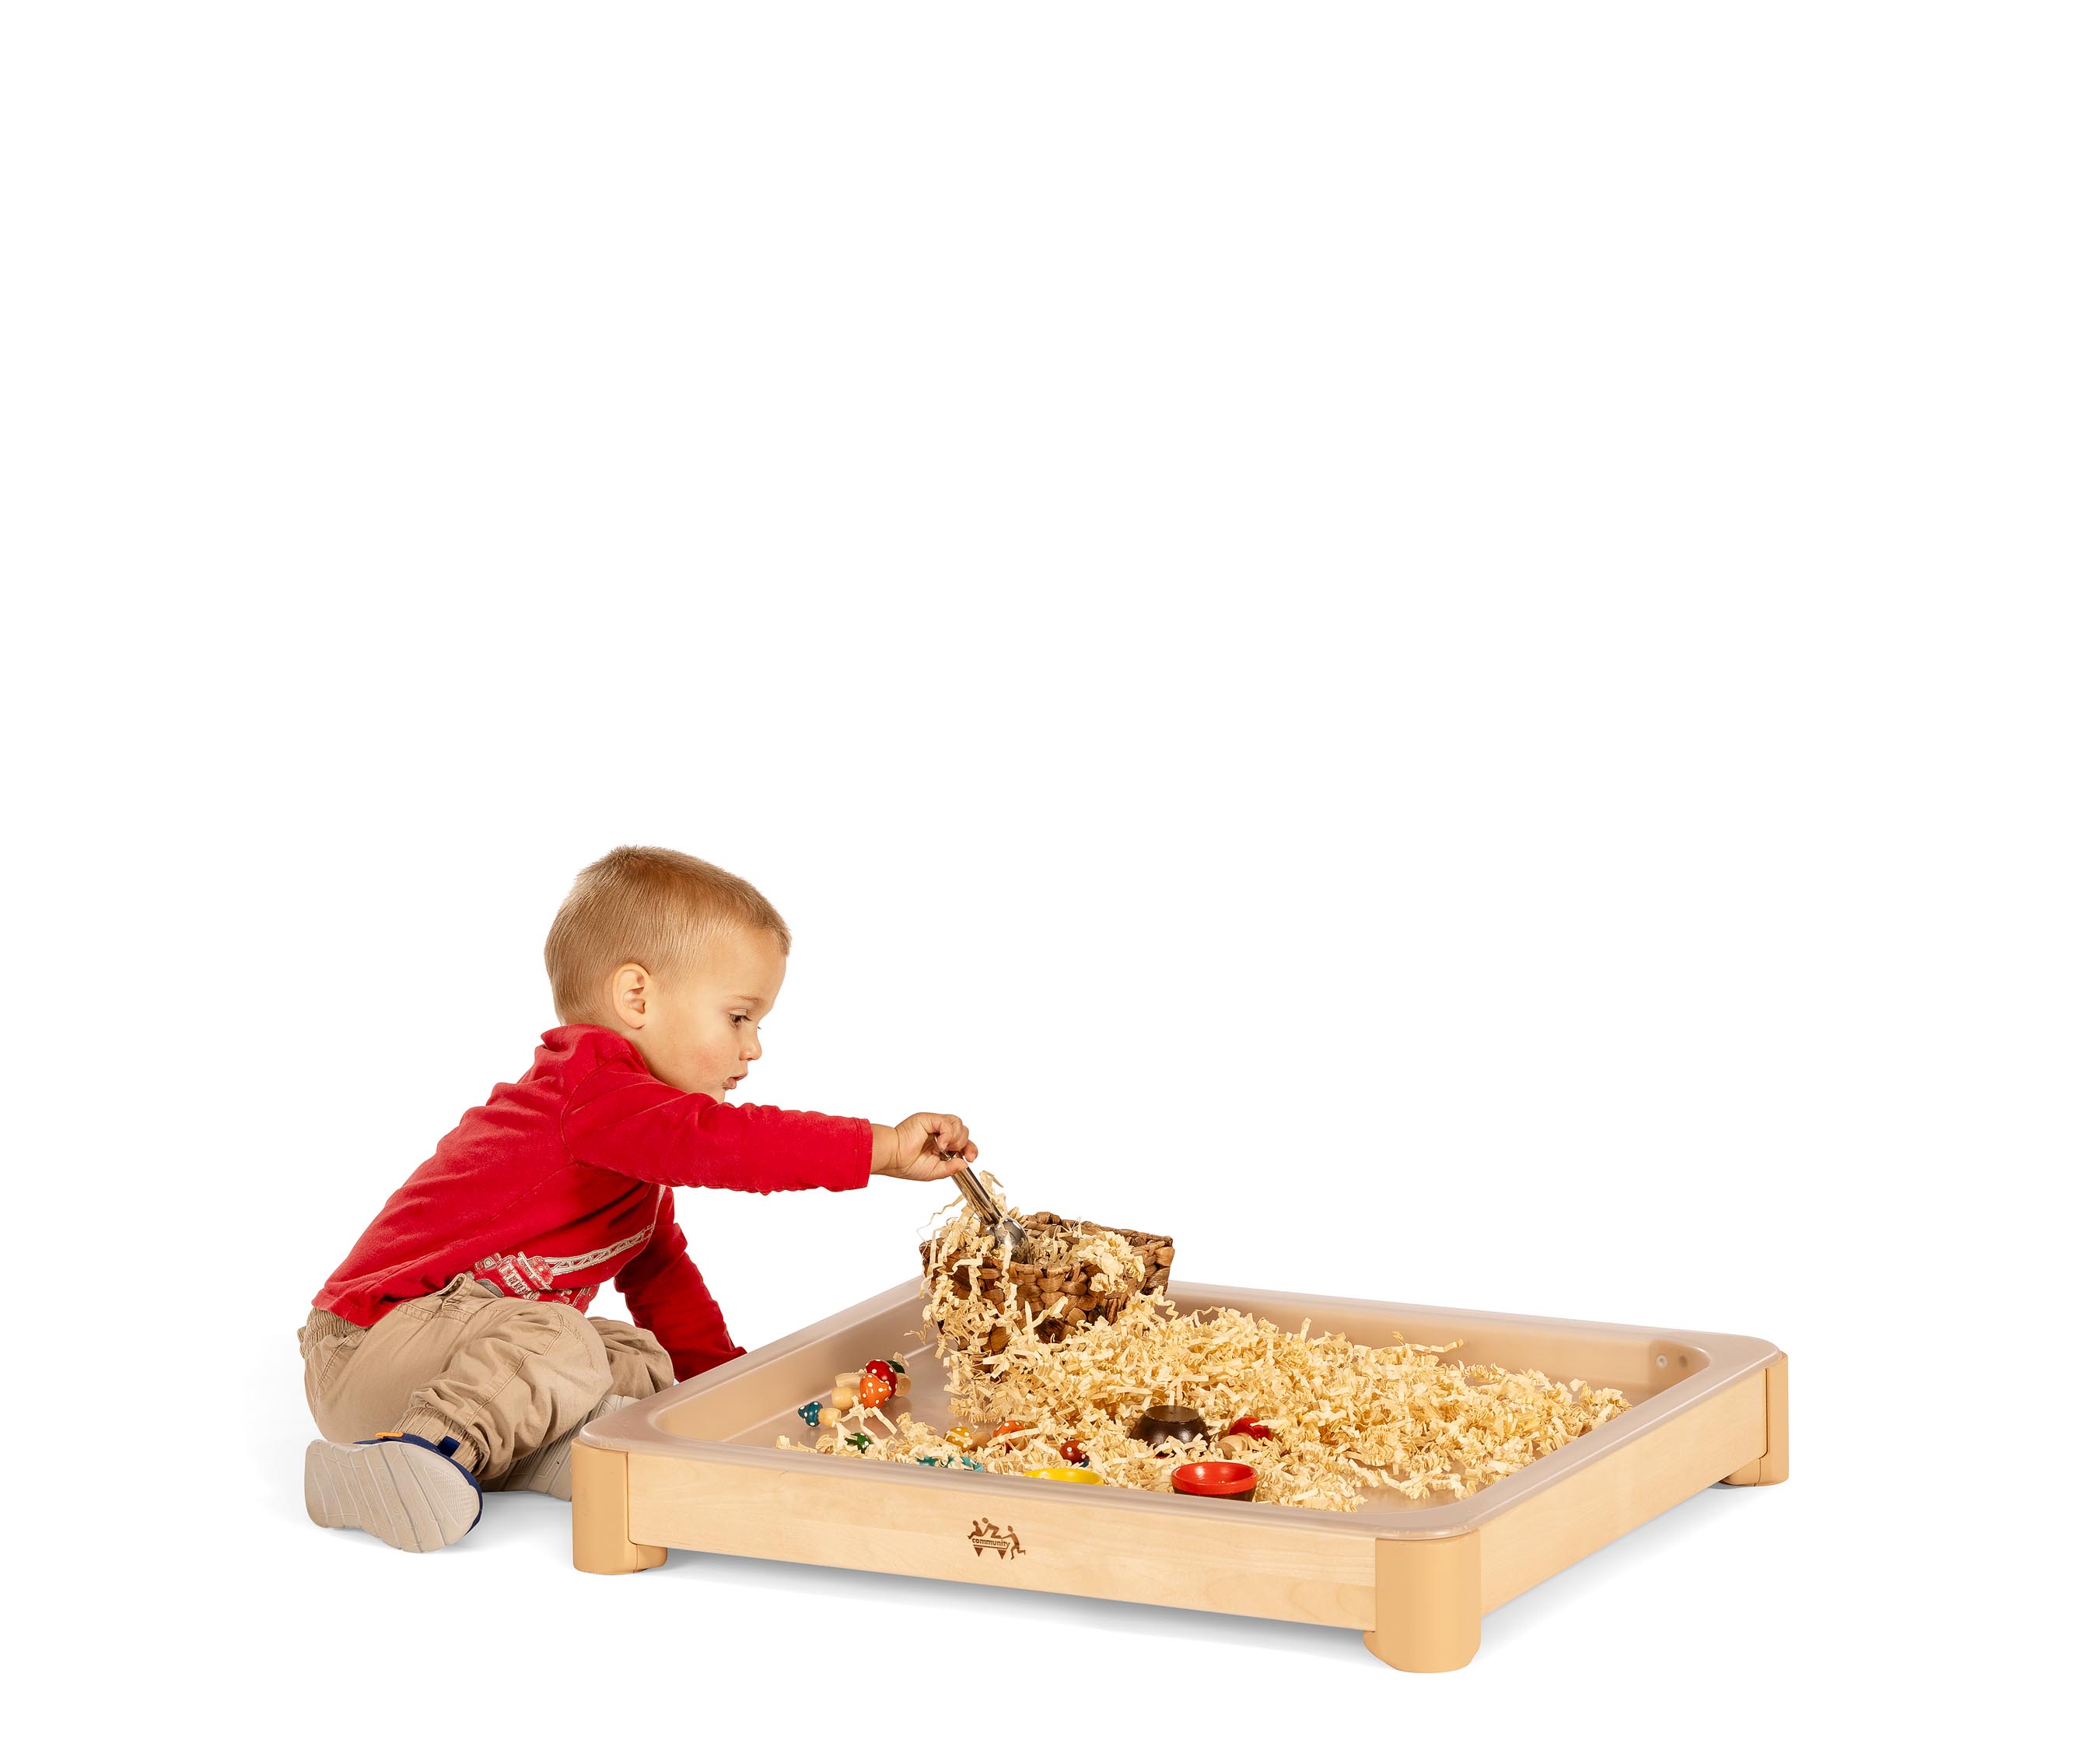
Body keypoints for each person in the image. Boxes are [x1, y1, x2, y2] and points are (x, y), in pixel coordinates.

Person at [299, 845, 973, 1552]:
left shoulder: (628, 1146)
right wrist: (880, 1148)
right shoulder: (586, 1093)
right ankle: (417, 1455)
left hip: (449, 1355)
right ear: (637, 999)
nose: (754, 1048)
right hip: (368, 1347)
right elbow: (723, 1144)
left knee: (643, 1361)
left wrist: (722, 1390)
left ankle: (547, 1453)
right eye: (738, 1017)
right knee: (558, 1341)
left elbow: (662, 1277)